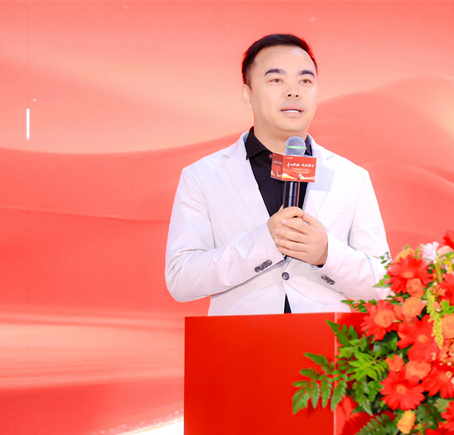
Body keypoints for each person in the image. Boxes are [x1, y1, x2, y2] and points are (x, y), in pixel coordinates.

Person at [165, 34, 389, 315]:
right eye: (276, 80)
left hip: (328, 340)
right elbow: (181, 279)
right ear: (247, 94)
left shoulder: (351, 177)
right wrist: (263, 243)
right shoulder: (202, 176)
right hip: (239, 338)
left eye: (305, 81)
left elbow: (385, 286)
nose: (293, 91)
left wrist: (327, 254)